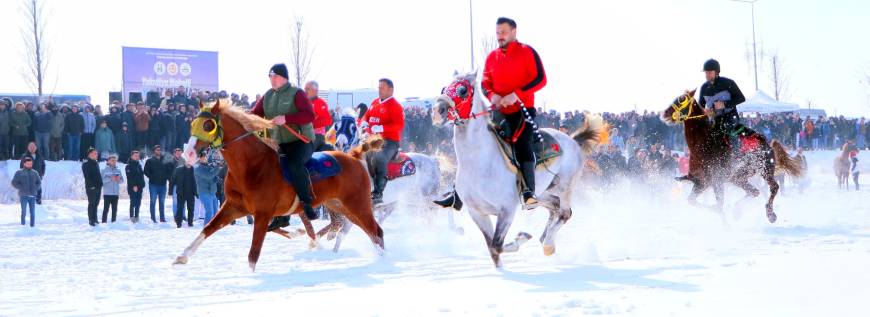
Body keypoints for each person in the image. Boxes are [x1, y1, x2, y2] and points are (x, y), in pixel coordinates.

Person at [435, 17, 547, 210]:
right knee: (474, 144)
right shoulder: (492, 57)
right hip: (498, 112)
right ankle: (458, 193)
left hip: (522, 111)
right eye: (497, 33)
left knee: (522, 145)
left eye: (503, 32)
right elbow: (485, 84)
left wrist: (516, 95)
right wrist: (493, 95)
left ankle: (528, 192)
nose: (499, 36)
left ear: (514, 31)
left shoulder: (527, 52)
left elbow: (541, 79)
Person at [250, 63, 318, 230]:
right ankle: (282, 216)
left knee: (294, 164)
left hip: (301, 141)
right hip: (279, 143)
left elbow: (309, 115)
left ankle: (307, 203)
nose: (271, 80)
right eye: (270, 77)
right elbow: (255, 114)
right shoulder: (268, 96)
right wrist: (243, 118)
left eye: (274, 76)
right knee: (271, 171)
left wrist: (287, 118)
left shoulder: (297, 93)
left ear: (283, 77)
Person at [361, 78, 405, 204]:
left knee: (379, 157)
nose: (379, 90)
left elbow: (399, 125)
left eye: (382, 88)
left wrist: (382, 127)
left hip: (390, 141)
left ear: (390, 90)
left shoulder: (395, 106)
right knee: (362, 154)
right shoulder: (375, 102)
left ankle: (378, 193)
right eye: (379, 87)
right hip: (373, 139)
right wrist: (364, 123)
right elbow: (367, 115)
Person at [699, 59, 747, 157]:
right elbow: (701, 106)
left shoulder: (728, 83)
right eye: (706, 72)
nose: (707, 74)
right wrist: (705, 111)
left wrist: (724, 104)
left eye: (709, 72)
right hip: (715, 118)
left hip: (730, 116)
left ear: (716, 72)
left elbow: (741, 98)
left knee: (728, 129)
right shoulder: (704, 88)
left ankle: (738, 157)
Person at [144, 145, 171, 223]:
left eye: (159, 150)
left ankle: (162, 218)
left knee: (162, 202)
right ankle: (153, 218)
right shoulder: (150, 160)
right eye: (157, 150)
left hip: (163, 184)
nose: (158, 151)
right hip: (153, 184)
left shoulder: (165, 160)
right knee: (153, 201)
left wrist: (166, 177)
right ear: (154, 151)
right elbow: (146, 171)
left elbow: (169, 170)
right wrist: (152, 177)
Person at [306, 80, 335, 151]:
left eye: (308, 89)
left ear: (315, 91)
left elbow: (328, 120)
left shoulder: (320, 103)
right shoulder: (303, 102)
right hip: (303, 134)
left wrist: (312, 124)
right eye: (305, 88)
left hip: (317, 135)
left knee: (306, 150)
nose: (305, 91)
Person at [12, 157, 41, 227]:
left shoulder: (35, 172)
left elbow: (39, 182)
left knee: (32, 212)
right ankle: (23, 225)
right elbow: (14, 182)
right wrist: (21, 188)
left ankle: (32, 226)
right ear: (24, 164)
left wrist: (35, 188)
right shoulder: (19, 172)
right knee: (24, 212)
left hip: (33, 196)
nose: (29, 165)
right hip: (23, 195)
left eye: (31, 164)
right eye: (28, 164)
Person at [194, 151, 221, 224]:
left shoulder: (209, 166)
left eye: (205, 156)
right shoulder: (197, 168)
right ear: (199, 158)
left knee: (215, 212)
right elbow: (208, 176)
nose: (204, 158)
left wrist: (216, 179)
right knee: (210, 212)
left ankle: (212, 227)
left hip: (212, 192)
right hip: (204, 193)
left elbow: (212, 176)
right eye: (202, 157)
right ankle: (206, 229)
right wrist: (218, 168)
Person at [169, 157, 197, 228]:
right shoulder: (179, 169)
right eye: (188, 161)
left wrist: (197, 192)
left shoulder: (193, 170)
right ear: (185, 162)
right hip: (181, 192)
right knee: (180, 208)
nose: (189, 163)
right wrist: (170, 191)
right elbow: (172, 180)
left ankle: (190, 223)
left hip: (191, 193)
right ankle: (179, 223)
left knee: (191, 208)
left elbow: (196, 182)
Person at [82, 148, 103, 226]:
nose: (96, 155)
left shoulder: (96, 163)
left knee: (96, 204)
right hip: (91, 187)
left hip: (98, 187)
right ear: (90, 154)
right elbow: (87, 177)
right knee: (92, 203)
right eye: (95, 153)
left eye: (97, 153)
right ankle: (91, 220)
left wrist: (100, 184)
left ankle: (95, 219)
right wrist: (92, 186)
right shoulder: (86, 164)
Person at [101, 154, 124, 223]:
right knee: (106, 209)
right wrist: (111, 179)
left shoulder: (118, 170)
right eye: (112, 160)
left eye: (115, 161)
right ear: (108, 161)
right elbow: (102, 181)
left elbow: (122, 181)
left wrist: (118, 179)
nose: (114, 162)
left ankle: (113, 222)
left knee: (114, 209)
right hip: (107, 193)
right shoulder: (104, 170)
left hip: (115, 193)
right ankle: (104, 222)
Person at [126, 150, 145, 223]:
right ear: (131, 156)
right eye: (135, 156)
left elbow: (141, 176)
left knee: (138, 202)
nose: (137, 157)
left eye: (138, 156)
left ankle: (137, 216)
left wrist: (142, 184)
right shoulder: (128, 166)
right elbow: (129, 177)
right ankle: (132, 216)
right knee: (133, 202)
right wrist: (134, 185)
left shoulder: (139, 165)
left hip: (140, 187)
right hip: (132, 187)